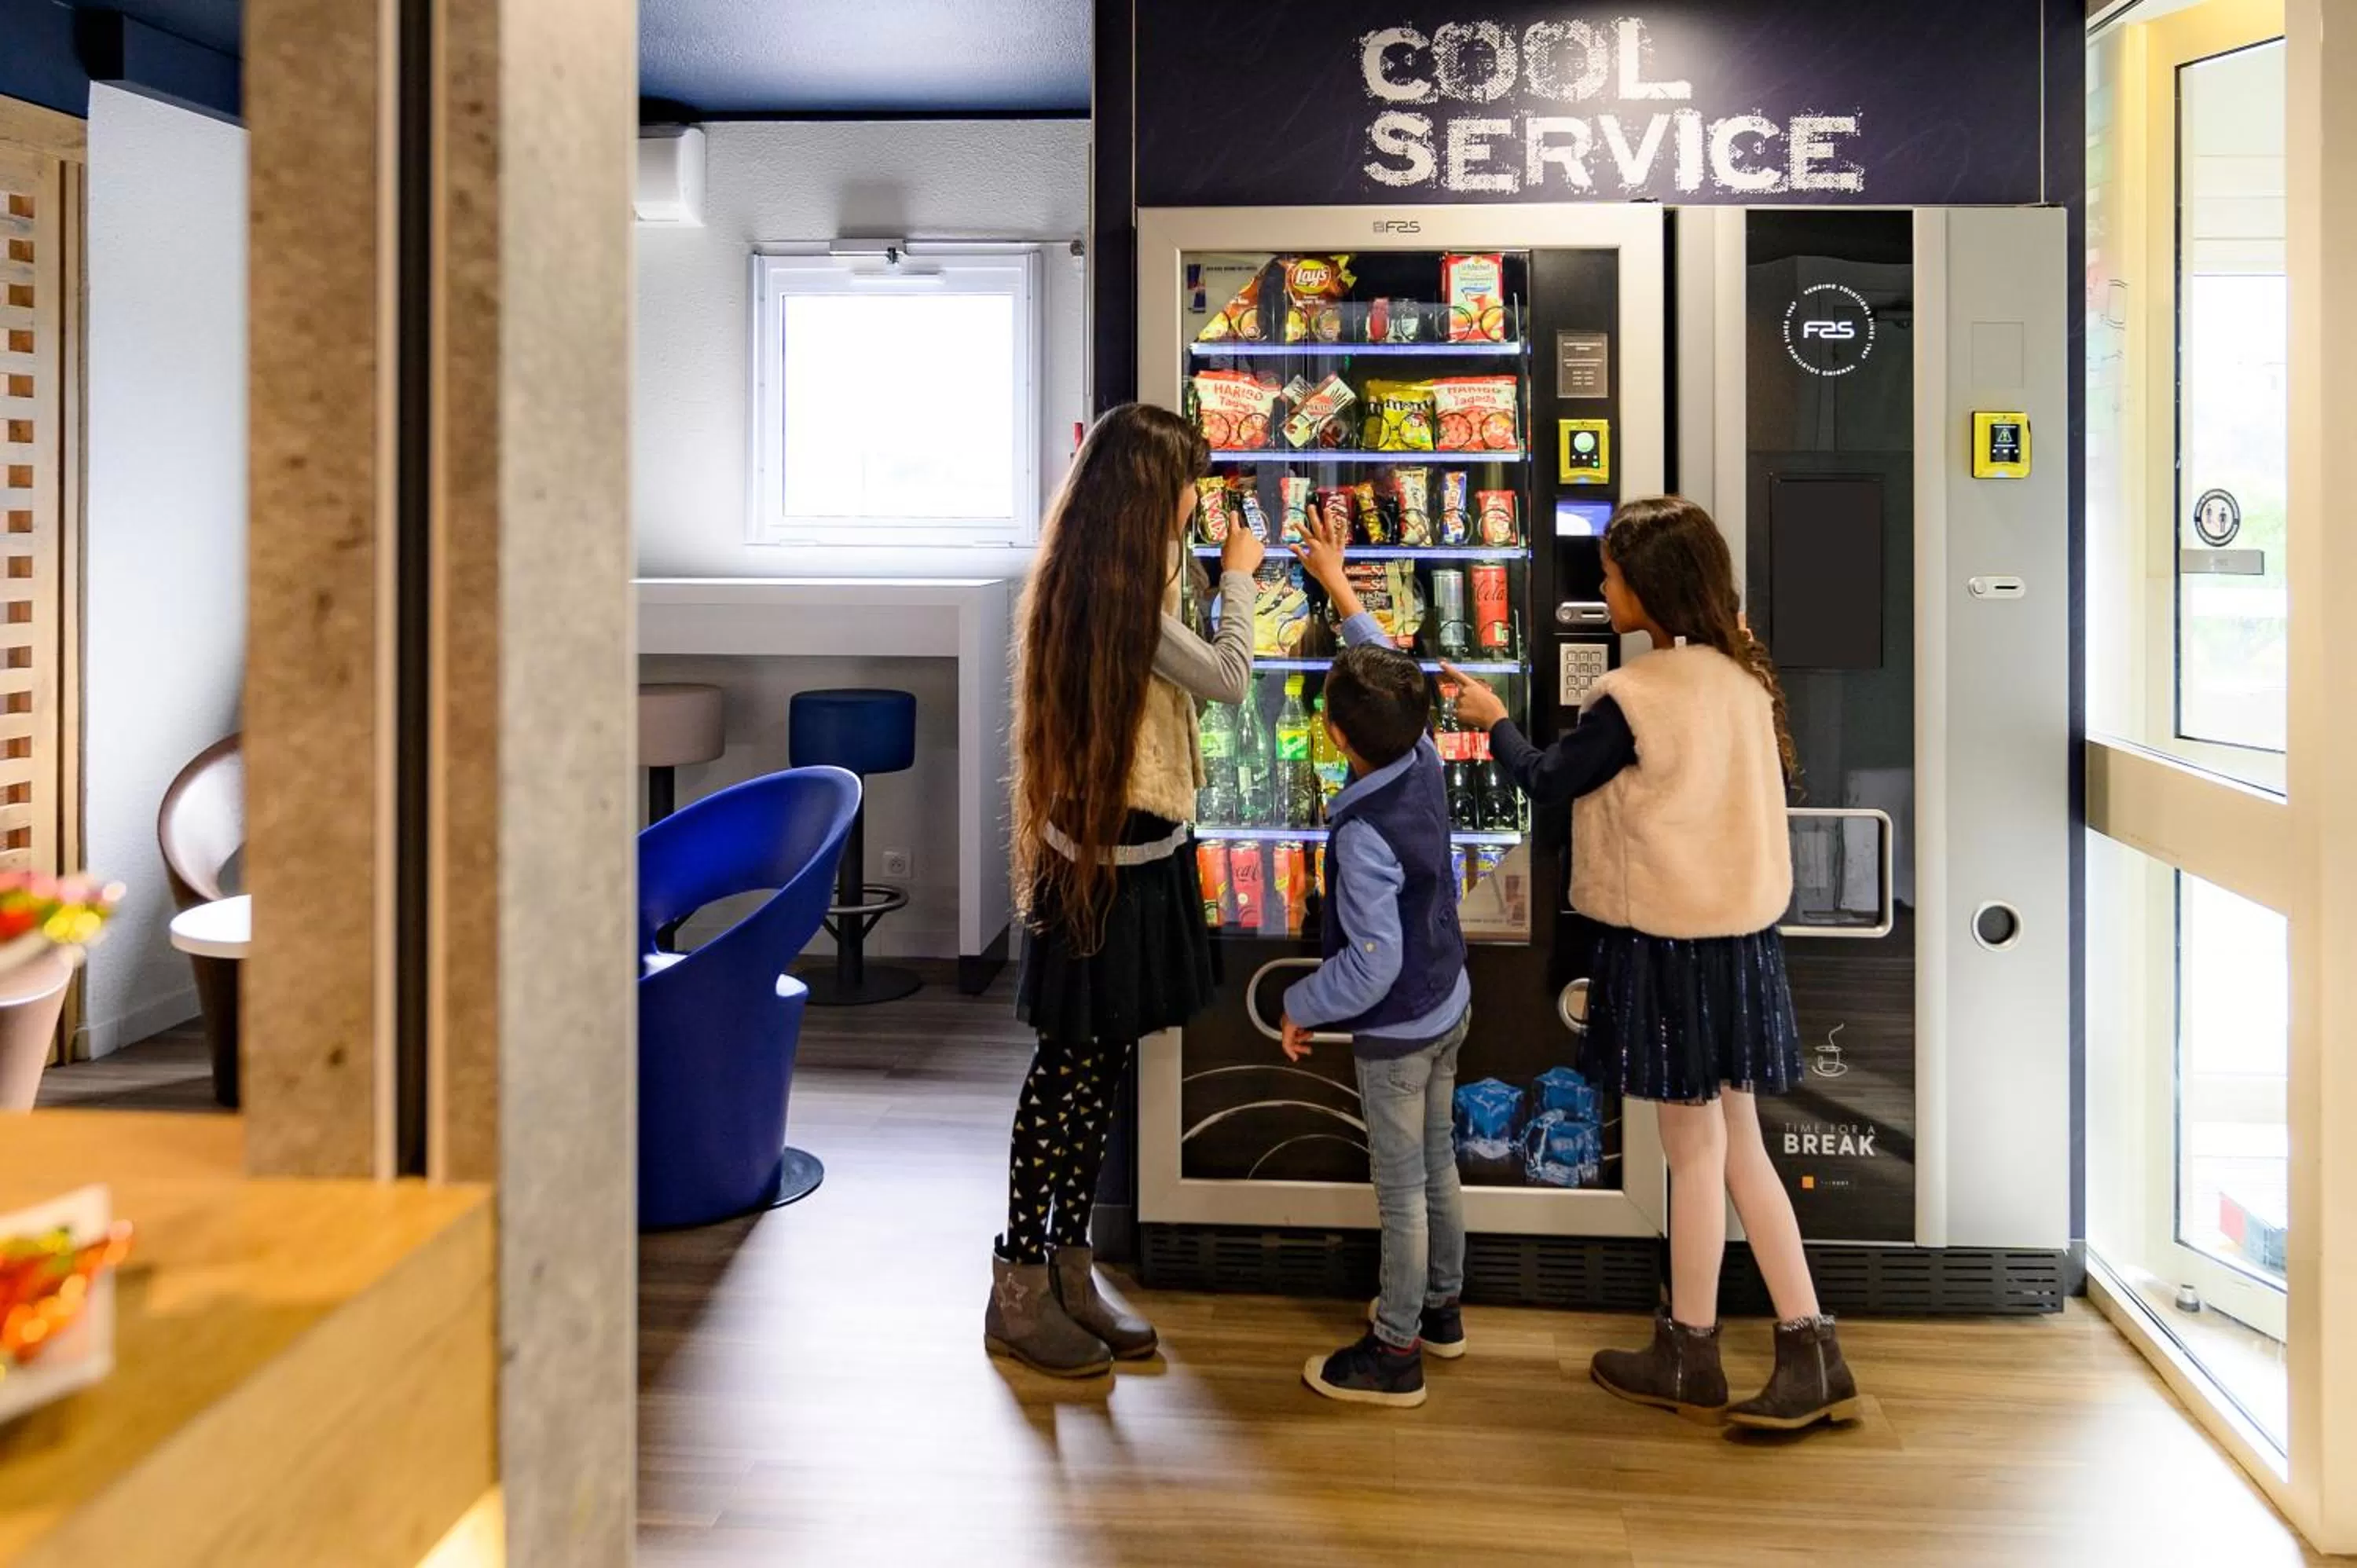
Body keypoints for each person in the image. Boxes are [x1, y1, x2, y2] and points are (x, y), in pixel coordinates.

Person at [1444, 495, 1861, 1433]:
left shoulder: (1637, 697)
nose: (1602, 583)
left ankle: (1698, 1350)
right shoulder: (1742, 678)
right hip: (1742, 944)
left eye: (1613, 572)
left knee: (1692, 1150)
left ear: (1651, 587)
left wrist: (1494, 716)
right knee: (1736, 1146)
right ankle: (1798, 1347)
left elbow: (1549, 780)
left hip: (1669, 945)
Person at [990, 404, 1264, 1377]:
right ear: (1154, 493)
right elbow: (1230, 678)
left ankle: (1069, 1266)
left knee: (1095, 1071)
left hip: (1131, 860)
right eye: (1187, 483)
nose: (1197, 500)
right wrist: (1237, 575)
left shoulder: (1110, 571)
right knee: (1068, 1074)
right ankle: (1018, 1286)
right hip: (1104, 872)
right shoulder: (1117, 597)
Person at [1280, 522, 1472, 1410]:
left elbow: (1368, 963)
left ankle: (1395, 1352)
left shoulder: (1359, 834)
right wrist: (1339, 586)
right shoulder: (1424, 755)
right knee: (1439, 1162)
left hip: (1394, 1030)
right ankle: (1441, 1310)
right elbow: (1391, 667)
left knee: (1401, 1192)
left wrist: (1300, 1003)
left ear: (1332, 734)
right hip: (1451, 1001)